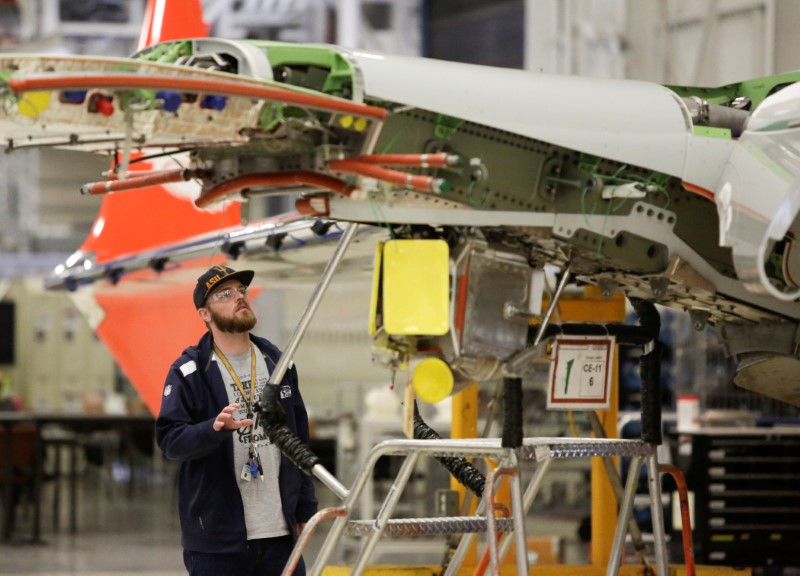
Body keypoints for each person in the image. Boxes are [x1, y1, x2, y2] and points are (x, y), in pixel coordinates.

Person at [156, 265, 318, 576]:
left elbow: (298, 439)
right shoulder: (189, 372)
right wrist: (212, 429)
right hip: (217, 541)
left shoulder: (278, 363)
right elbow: (170, 442)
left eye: (241, 291)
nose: (239, 298)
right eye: (225, 294)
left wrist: (305, 507)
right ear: (205, 314)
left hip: (280, 535)